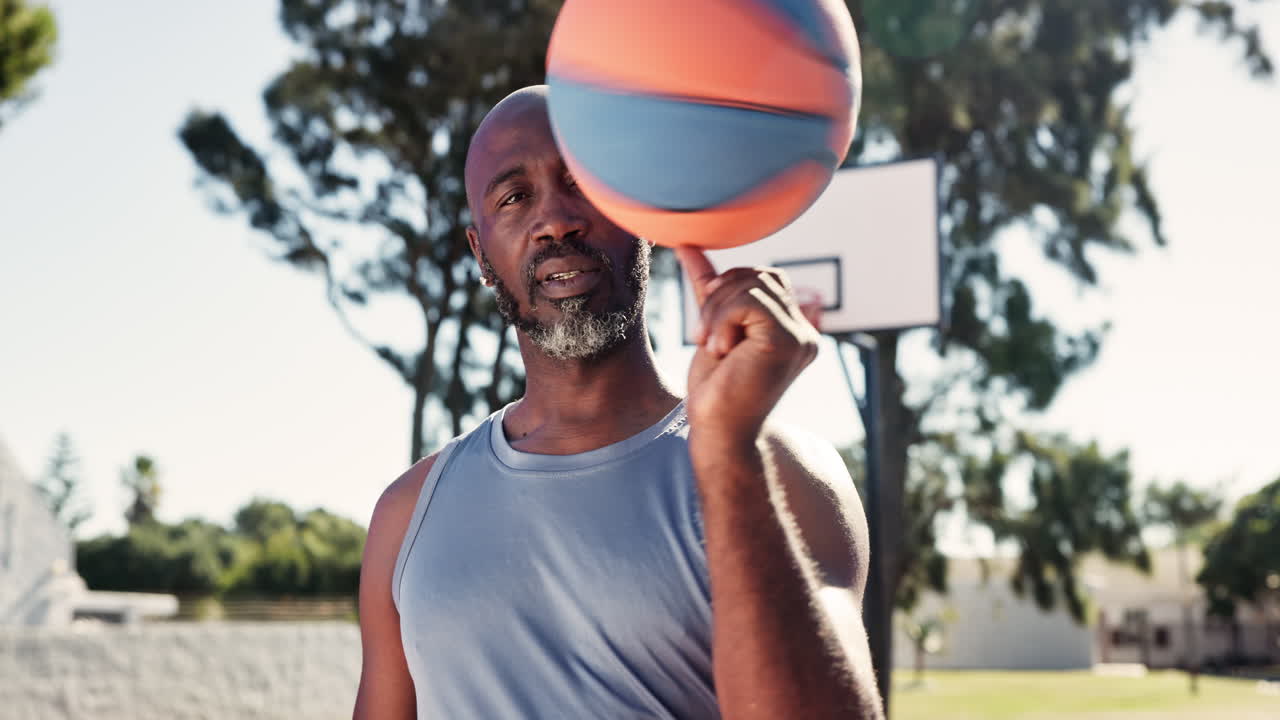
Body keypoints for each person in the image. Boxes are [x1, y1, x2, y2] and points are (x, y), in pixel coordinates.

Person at [353, 85, 883, 720]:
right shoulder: (408, 514)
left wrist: (728, 455)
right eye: (516, 197)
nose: (556, 220)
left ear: (641, 215)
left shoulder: (784, 472)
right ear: (481, 255)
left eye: (583, 182)